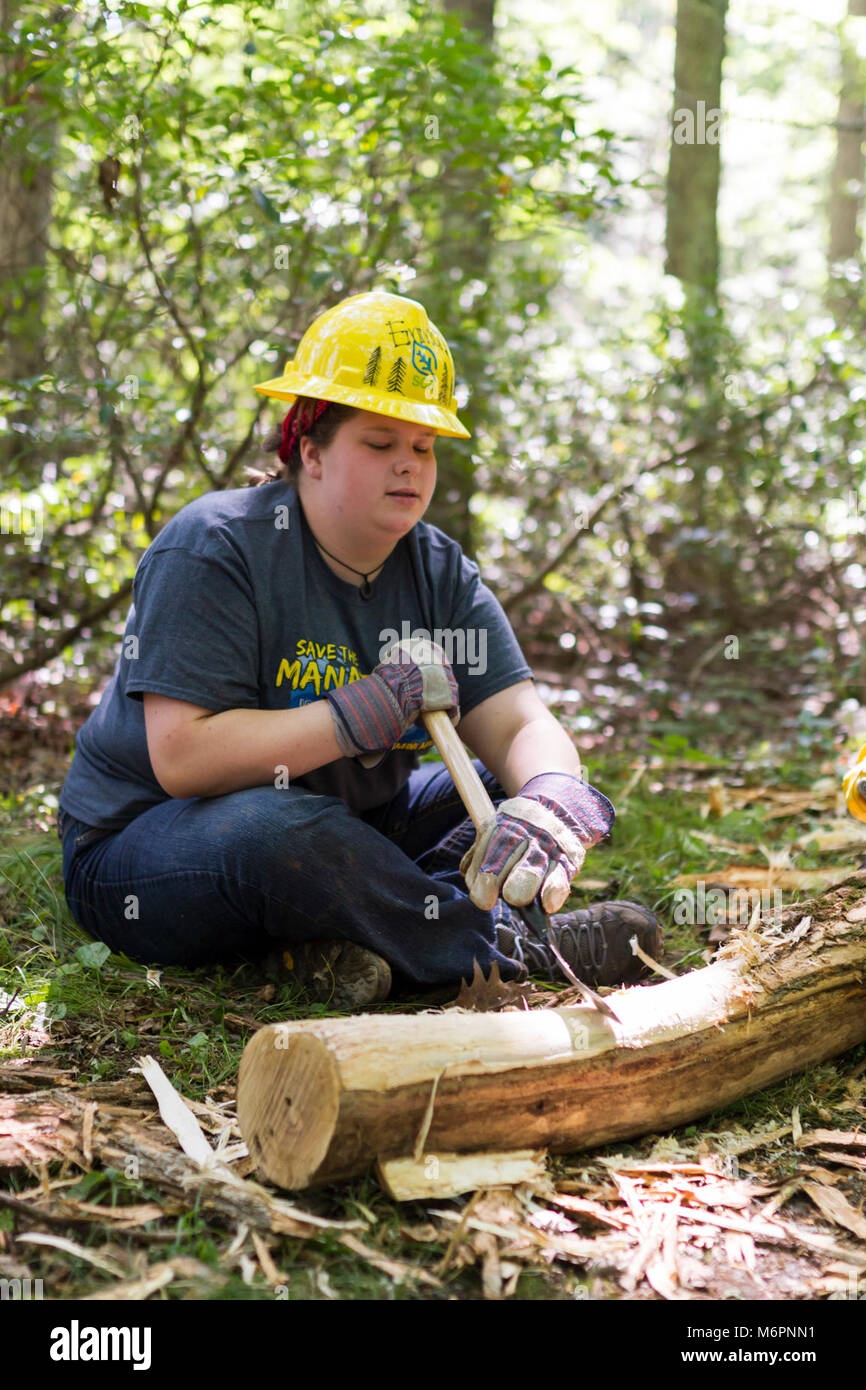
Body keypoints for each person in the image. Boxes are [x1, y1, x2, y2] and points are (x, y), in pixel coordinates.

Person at [56, 289, 662, 1009]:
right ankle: (511, 946)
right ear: (310, 451)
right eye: (380, 444)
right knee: (278, 829)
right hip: (152, 848)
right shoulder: (215, 546)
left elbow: (519, 722)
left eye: (423, 447)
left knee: (511, 789)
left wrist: (551, 804)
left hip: (348, 826)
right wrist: (354, 714)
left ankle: (351, 942)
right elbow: (185, 759)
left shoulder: (436, 569)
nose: (408, 465)